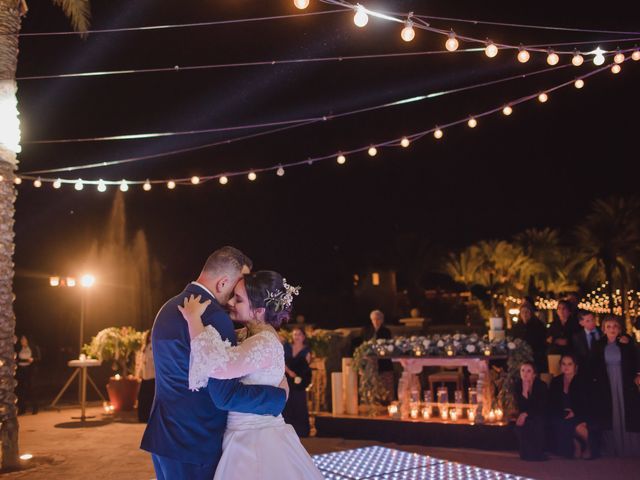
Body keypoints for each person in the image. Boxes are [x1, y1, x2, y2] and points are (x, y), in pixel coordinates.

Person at [140, 247, 288, 480]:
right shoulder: (214, 318)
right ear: (222, 283)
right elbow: (224, 393)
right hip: (195, 442)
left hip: (163, 436)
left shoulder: (167, 308)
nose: (233, 298)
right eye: (239, 285)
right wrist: (278, 398)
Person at [180, 270, 324, 480]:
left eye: (238, 299)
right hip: (242, 434)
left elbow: (218, 366)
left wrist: (193, 320)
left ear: (258, 311)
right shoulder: (248, 334)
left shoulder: (264, 342)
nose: (230, 302)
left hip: (256, 441)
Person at [592, 315, 640, 457]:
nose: (612, 329)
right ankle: (613, 449)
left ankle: (630, 449)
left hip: (625, 382)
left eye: (615, 326)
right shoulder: (598, 345)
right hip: (607, 383)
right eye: (609, 327)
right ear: (604, 329)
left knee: (627, 413)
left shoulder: (627, 342)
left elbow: (636, 359)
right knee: (610, 413)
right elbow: (593, 365)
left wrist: (638, 374)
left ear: (619, 329)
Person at [549, 354, 591, 459]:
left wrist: (574, 412)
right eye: (563, 364)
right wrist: (562, 412)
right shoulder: (556, 381)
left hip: (579, 413)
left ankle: (588, 447)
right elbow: (552, 402)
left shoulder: (582, 381)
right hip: (561, 414)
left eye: (569, 364)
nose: (566, 366)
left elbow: (586, 403)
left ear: (575, 366)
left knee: (579, 427)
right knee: (560, 422)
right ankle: (575, 444)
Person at [512, 361, 548, 461]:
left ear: (534, 374)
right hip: (525, 414)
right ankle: (526, 451)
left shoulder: (541, 385)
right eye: (522, 370)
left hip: (540, 413)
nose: (525, 373)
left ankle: (538, 452)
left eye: (528, 371)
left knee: (536, 422)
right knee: (522, 424)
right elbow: (520, 406)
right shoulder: (518, 385)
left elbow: (541, 406)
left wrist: (526, 414)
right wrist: (524, 392)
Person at [282, 327, 312, 437]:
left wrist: (299, 376)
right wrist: (289, 372)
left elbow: (306, 367)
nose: (297, 336)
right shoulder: (287, 347)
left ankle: (301, 431)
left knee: (299, 403)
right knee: (286, 403)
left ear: (303, 336)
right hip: (286, 378)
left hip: (299, 381)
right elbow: (280, 360)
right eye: (295, 334)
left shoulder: (307, 350)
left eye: (299, 334)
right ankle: (286, 430)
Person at [362, 309, 394, 403]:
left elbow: (388, 345)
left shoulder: (386, 331)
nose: (376, 321)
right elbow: (363, 345)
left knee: (386, 385)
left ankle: (387, 402)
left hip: (383, 363)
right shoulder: (366, 331)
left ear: (382, 320)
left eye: (378, 319)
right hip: (370, 363)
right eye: (374, 319)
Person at [511, 304, 548, 373]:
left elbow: (542, 342)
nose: (525, 314)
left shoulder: (538, 326)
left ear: (531, 313)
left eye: (527, 312)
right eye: (522, 312)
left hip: (535, 356)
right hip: (520, 356)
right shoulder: (517, 327)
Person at [571, 310, 602, 381]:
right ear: (581, 323)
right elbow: (577, 354)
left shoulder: (602, 332)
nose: (592, 322)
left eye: (592, 319)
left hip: (601, 370)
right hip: (585, 372)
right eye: (588, 321)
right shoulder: (577, 337)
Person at [15, 334, 40, 415]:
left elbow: (38, 358)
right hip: (21, 370)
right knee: (21, 390)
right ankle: (22, 408)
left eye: (24, 339)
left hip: (30, 370)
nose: (22, 341)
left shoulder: (33, 347)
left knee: (31, 388)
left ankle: (35, 407)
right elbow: (16, 358)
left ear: (28, 340)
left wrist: (33, 359)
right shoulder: (18, 348)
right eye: (21, 339)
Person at [137, 331, 155, 423]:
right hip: (145, 376)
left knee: (150, 398)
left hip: (152, 377)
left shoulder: (155, 347)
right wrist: (139, 373)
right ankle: (142, 417)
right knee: (143, 398)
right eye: (149, 336)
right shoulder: (145, 347)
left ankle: (149, 417)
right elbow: (141, 362)